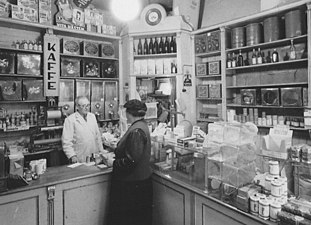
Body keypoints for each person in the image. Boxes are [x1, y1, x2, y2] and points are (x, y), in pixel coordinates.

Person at [106, 99, 153, 225]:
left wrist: (113, 163)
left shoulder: (136, 131)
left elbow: (131, 161)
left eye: (126, 112)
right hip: (140, 182)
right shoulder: (141, 125)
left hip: (132, 186)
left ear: (130, 113)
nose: (125, 115)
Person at [62, 96, 104, 163]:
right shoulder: (70, 120)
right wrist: (72, 156)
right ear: (77, 107)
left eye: (88, 105)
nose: (86, 108)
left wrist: (101, 151)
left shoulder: (92, 116)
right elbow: (66, 142)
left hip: (94, 154)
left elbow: (97, 136)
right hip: (80, 156)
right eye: (83, 106)